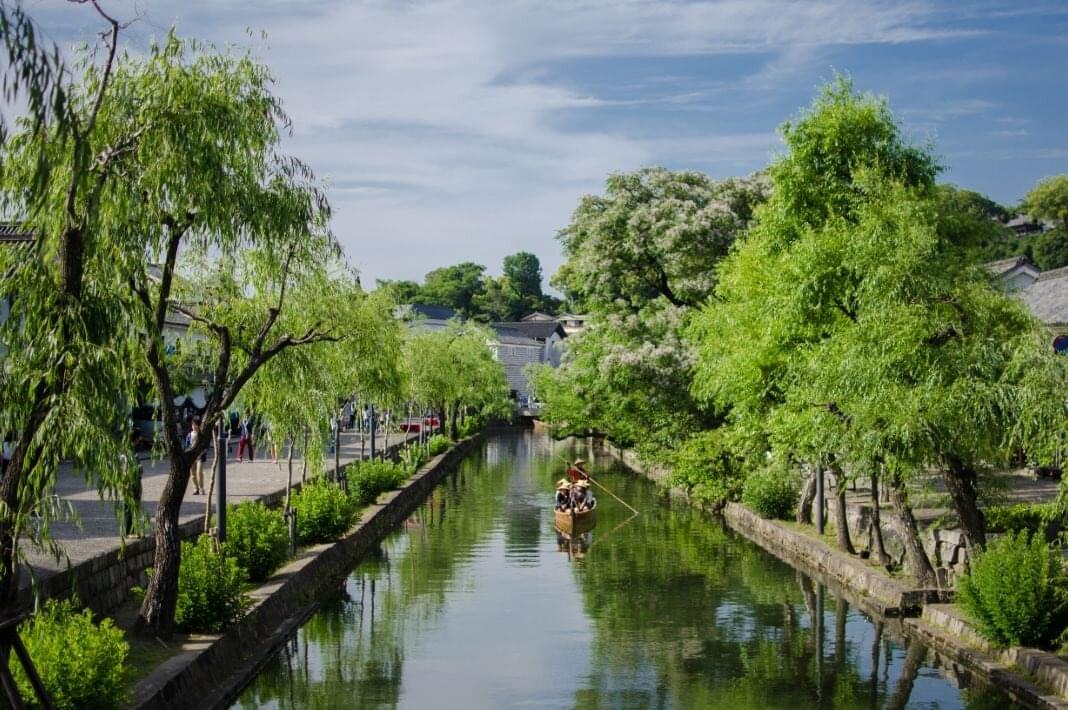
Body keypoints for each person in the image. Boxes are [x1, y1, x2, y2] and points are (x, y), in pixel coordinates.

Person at [188, 419, 204, 494]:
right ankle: (195, 488)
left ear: (199, 425)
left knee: (199, 472)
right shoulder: (189, 435)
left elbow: (205, 445)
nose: (194, 426)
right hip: (191, 456)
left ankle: (201, 488)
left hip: (199, 456)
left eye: (195, 425)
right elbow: (187, 445)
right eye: (193, 425)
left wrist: (203, 451)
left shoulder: (201, 434)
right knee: (193, 474)